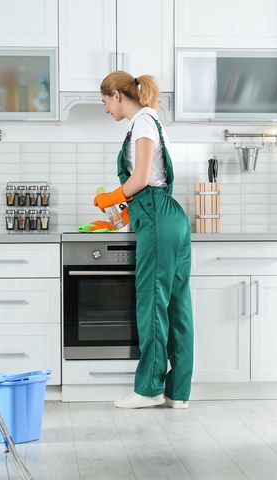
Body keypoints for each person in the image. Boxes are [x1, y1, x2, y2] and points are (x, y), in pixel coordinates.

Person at [95, 71, 194, 409]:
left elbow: (140, 178)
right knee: (177, 305)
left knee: (152, 301)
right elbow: (150, 179)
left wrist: (113, 196)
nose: (106, 109)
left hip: (156, 215)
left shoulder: (142, 123)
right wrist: (125, 207)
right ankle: (177, 391)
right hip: (169, 216)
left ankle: (149, 389)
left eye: (105, 101)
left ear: (117, 96)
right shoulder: (149, 121)